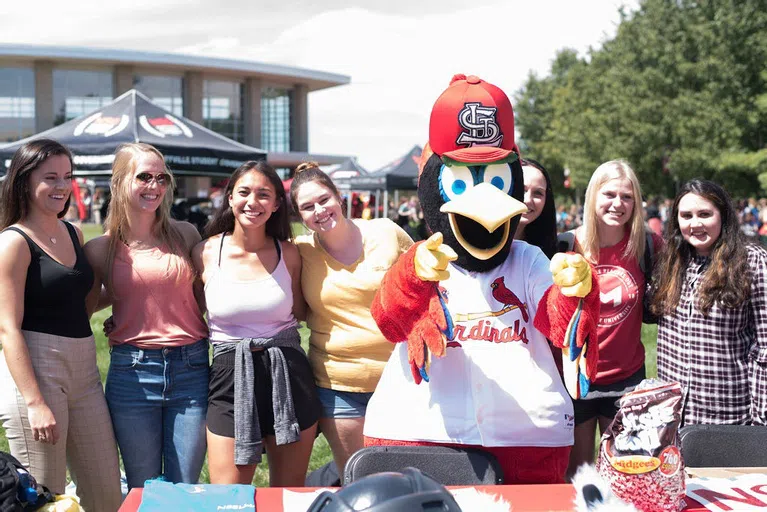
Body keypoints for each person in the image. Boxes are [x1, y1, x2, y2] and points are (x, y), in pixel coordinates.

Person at [0, 139, 121, 511]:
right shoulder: (13, 242)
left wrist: (133, 300)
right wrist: (35, 403)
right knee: (43, 496)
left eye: (67, 176)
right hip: (36, 373)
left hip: (84, 371)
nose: (61, 186)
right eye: (49, 177)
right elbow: (7, 327)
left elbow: (78, 304)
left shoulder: (73, 232)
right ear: (23, 181)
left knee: (106, 493)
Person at [83, 143, 209, 489]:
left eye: (161, 178)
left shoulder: (186, 234)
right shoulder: (99, 249)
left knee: (184, 485)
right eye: (144, 177)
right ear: (120, 181)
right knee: (144, 486)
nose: (154, 186)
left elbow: (203, 297)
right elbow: (87, 306)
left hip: (191, 369)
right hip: (133, 375)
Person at [193, 161, 320, 486]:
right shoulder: (205, 253)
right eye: (244, 192)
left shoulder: (290, 254)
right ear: (230, 198)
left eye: (264, 194)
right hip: (229, 377)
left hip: (288, 376)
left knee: (288, 493)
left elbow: (305, 310)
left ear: (277, 203)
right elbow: (189, 310)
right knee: (227, 498)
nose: (253, 202)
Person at [289, 162, 414, 477]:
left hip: (402, 380)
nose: (319, 210)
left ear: (339, 197)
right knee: (359, 479)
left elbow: (422, 281)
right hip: (340, 386)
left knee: (410, 476)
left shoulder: (386, 231)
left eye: (324, 200)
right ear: (298, 215)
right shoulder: (300, 252)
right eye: (307, 207)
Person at [562, 160, 662, 480]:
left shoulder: (647, 246)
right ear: (593, 196)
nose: (618, 204)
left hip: (627, 379)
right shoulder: (567, 245)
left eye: (627, 197)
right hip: (576, 379)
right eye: (609, 194)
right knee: (578, 474)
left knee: (625, 474)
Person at [650, 179, 767, 426]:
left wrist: (761, 422)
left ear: (723, 215)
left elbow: (764, 348)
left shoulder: (752, 262)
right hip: (673, 417)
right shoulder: (672, 261)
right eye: (686, 215)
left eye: (705, 214)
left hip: (731, 419)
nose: (695, 224)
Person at [514, 158, 558, 259]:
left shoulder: (553, 252)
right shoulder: (477, 242)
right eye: (521, 189)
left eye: (538, 193)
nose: (528, 200)